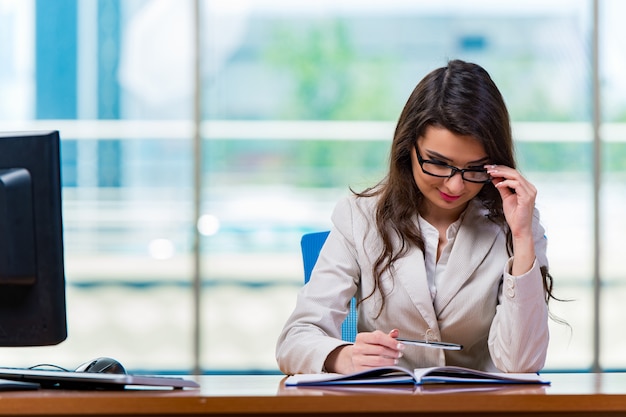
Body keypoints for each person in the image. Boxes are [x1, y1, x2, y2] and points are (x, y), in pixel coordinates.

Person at [276, 59, 558, 376]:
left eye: (475, 168)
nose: (455, 184)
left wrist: (521, 239)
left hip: (478, 409)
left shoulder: (516, 223)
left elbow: (522, 364)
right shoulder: (359, 217)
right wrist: (344, 356)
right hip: (384, 407)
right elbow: (294, 342)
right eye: (438, 163)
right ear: (408, 147)